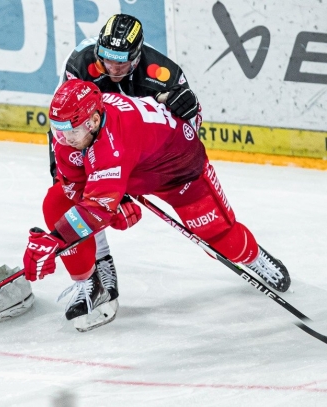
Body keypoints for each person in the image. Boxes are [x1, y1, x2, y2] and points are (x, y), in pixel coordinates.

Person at [23, 79, 290, 332]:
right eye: (59, 128)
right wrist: (115, 202)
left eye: (72, 130)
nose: (65, 137)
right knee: (58, 201)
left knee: (221, 239)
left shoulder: (114, 144)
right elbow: (76, 186)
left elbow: (97, 208)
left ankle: (253, 257)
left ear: (93, 121)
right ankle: (90, 284)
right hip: (134, 167)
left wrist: (56, 240)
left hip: (180, 171)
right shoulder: (80, 132)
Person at [46, 14, 201, 313]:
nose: (113, 68)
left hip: (140, 149)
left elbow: (188, 129)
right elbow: (67, 124)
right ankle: (100, 266)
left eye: (122, 61)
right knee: (75, 195)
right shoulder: (81, 65)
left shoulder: (162, 73)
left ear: (137, 55)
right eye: (107, 60)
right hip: (86, 136)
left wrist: (189, 108)